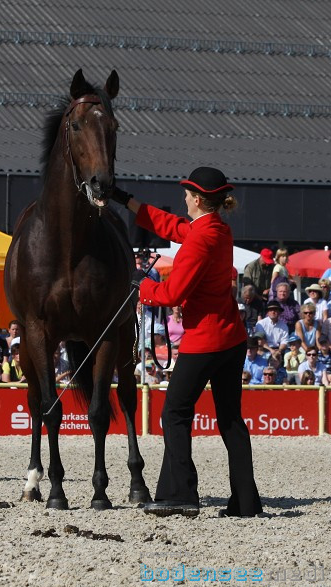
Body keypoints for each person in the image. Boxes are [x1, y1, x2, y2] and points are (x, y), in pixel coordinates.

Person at [113, 166, 262, 518]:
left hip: (206, 340)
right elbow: (171, 226)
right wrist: (128, 202)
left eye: (185, 195)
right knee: (230, 420)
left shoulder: (200, 238)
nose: (183, 199)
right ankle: (245, 502)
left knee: (175, 413)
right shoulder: (217, 229)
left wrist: (140, 284)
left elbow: (172, 293)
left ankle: (180, 493)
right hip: (231, 337)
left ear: (196, 199)